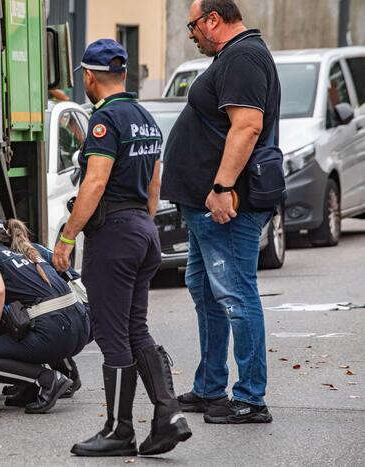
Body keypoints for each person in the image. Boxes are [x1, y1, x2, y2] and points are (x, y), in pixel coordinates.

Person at [52, 39, 191, 457]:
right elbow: (154, 184)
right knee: (136, 329)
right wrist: (143, 226)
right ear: (125, 74)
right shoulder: (146, 118)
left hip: (113, 236)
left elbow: (94, 184)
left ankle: (118, 430)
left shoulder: (105, 121)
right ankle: (169, 416)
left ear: (90, 77)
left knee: (114, 336)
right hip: (144, 232)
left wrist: (66, 236)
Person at [160, 0, 282, 424]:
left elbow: (247, 125)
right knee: (207, 290)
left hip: (226, 206)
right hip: (205, 207)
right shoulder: (236, 56)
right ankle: (211, 387)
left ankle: (250, 398)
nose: (191, 34)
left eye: (193, 25)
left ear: (213, 20)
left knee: (235, 295)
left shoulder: (244, 56)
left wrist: (222, 187)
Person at [0, 215, 90, 414]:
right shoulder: (29, 250)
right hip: (82, 326)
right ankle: (52, 377)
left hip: (54, 333)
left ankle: (47, 380)